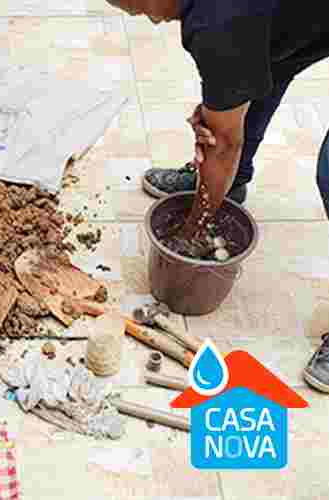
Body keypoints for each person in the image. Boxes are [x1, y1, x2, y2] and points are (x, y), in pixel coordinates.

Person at [105, 0, 329, 391]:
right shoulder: (227, 25)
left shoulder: (219, 24)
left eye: (137, 8)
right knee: (265, 64)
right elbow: (243, 62)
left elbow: (223, 142)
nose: (149, 20)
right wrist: (222, 105)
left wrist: (194, 230)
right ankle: (231, 181)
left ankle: (222, 181)